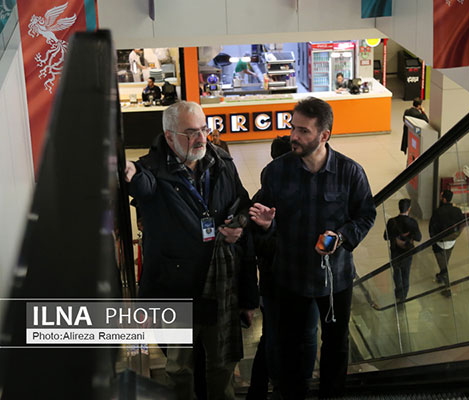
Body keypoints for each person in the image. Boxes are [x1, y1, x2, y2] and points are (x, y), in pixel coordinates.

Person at [124, 101, 258, 400]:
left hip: (218, 286)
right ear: (169, 136)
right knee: (179, 371)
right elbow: (143, 188)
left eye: (203, 130)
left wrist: (240, 224)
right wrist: (129, 172)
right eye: (190, 133)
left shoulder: (221, 163)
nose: (200, 138)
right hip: (176, 290)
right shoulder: (151, 170)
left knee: (222, 366)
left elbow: (244, 207)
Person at [250, 97, 376, 399]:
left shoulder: (350, 173)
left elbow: (365, 215)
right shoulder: (276, 172)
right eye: (293, 128)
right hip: (290, 277)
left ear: (324, 136)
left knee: (336, 344)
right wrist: (267, 225)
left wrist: (341, 237)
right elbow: (267, 220)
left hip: (336, 281)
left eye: (304, 131)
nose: (294, 136)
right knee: (292, 344)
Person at [246, 135, 319, 400]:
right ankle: (290, 382)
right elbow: (256, 243)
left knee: (286, 334)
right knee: (294, 333)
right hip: (284, 280)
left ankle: (286, 383)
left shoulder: (308, 190)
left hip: (283, 281)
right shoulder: (266, 197)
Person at [384, 198, 422, 302]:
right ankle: (404, 296)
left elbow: (385, 237)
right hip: (407, 252)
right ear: (408, 209)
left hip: (395, 252)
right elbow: (419, 238)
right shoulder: (412, 222)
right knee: (406, 274)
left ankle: (398, 293)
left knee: (396, 272)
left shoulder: (392, 221)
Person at [429, 190, 464, 298]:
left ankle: (447, 287)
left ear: (444, 199)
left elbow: (431, 229)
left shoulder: (438, 212)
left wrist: (433, 238)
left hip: (440, 243)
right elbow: (462, 224)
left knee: (443, 265)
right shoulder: (457, 211)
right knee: (445, 260)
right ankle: (440, 276)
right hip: (452, 241)